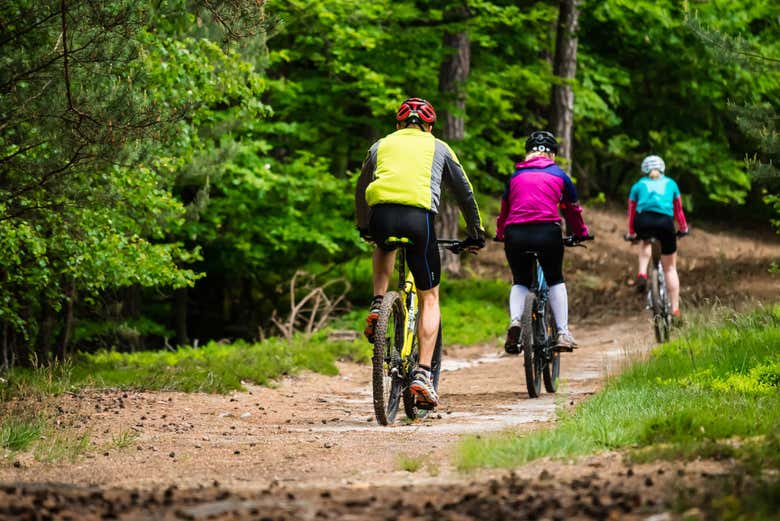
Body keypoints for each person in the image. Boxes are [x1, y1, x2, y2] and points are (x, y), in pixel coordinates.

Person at [355, 97, 485, 408]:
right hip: (419, 221)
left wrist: (365, 227)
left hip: (381, 215)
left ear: (398, 124)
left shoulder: (380, 145)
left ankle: (378, 303)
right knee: (430, 297)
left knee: (383, 242)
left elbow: (362, 188)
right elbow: (464, 191)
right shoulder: (438, 146)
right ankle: (423, 374)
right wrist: (475, 232)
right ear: (429, 126)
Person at [495, 130, 591, 353]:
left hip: (515, 234)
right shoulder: (560, 175)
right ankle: (563, 333)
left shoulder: (514, 177)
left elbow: (504, 211)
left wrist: (501, 234)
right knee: (555, 279)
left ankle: (516, 321)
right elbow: (572, 210)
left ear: (528, 153)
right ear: (552, 154)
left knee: (520, 280)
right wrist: (580, 233)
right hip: (547, 232)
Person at [626, 154, 689, 320]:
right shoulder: (671, 184)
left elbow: (632, 211)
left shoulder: (638, 185)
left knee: (645, 242)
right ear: (663, 169)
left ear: (644, 170)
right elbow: (678, 210)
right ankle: (675, 309)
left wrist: (632, 232)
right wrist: (683, 228)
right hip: (665, 223)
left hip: (643, 221)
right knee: (670, 268)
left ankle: (642, 273)